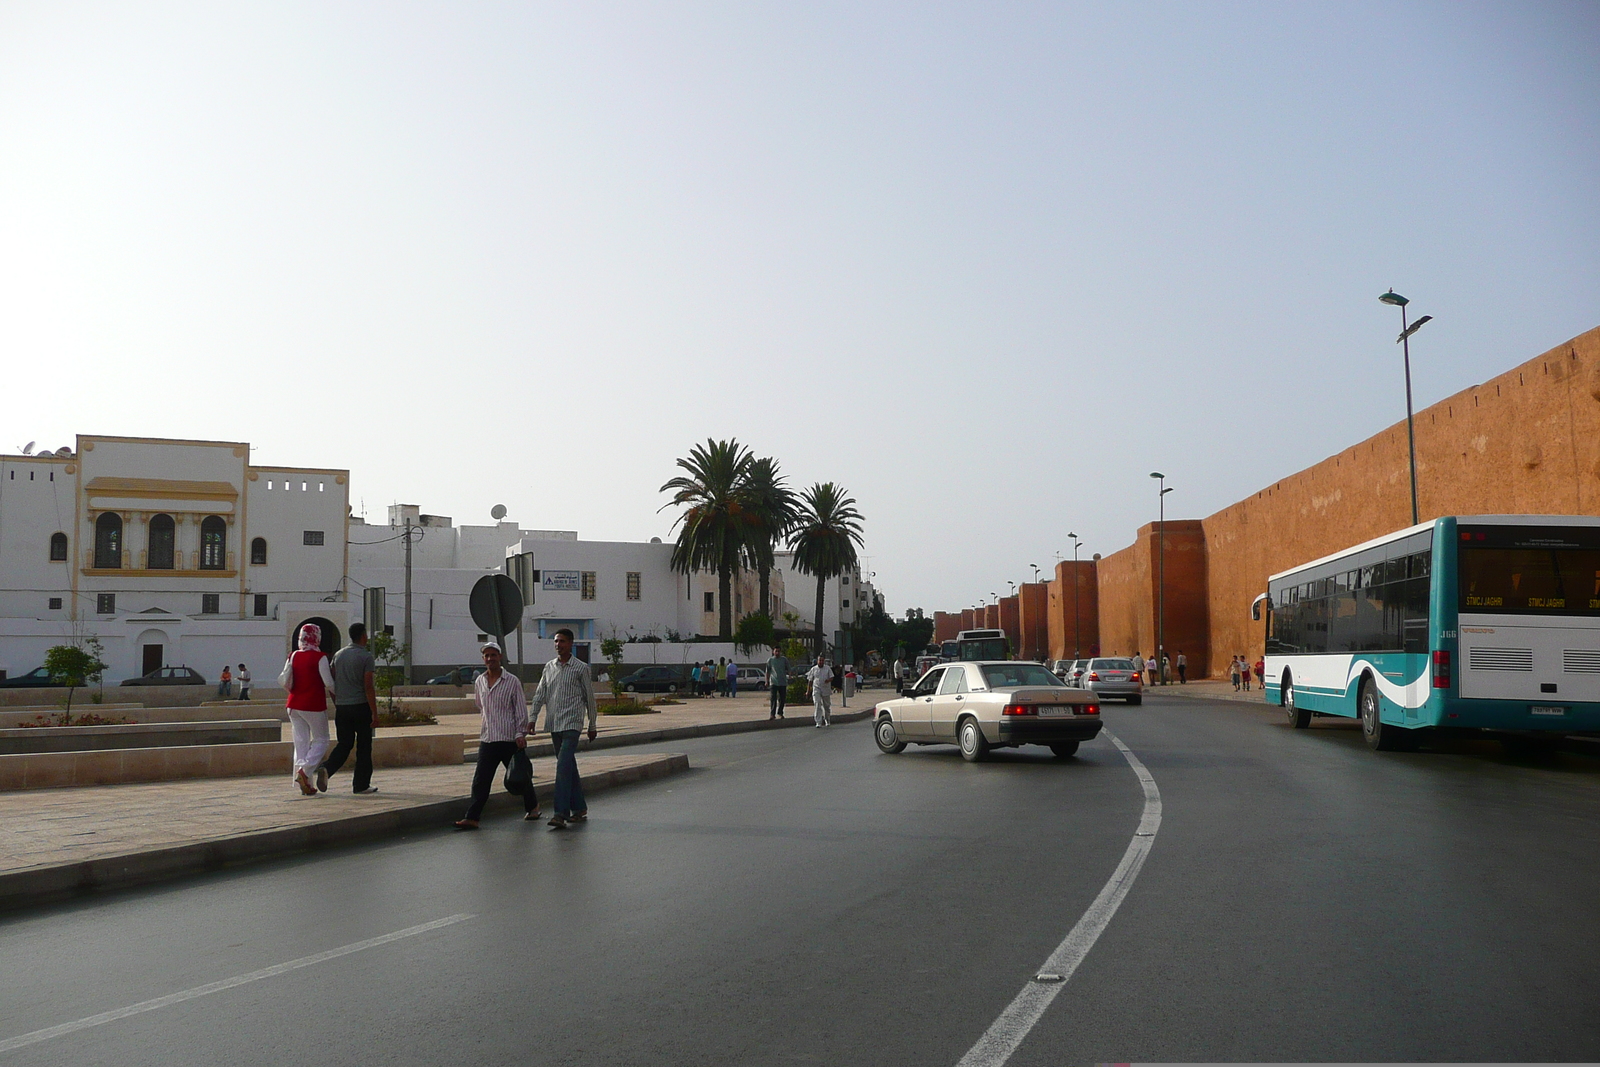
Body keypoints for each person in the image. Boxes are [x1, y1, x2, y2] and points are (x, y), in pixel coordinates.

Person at [454, 641, 538, 830]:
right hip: (488, 739)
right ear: (483, 659)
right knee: (480, 781)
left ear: (500, 657)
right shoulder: (480, 681)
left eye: (493, 655)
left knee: (519, 776)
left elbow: (520, 710)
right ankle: (472, 817)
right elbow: (479, 705)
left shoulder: (512, 681)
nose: (490, 658)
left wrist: (520, 733)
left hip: (509, 739)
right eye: (487, 656)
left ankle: (533, 807)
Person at [531, 628, 597, 830]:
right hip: (554, 723)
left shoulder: (581, 668)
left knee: (562, 767)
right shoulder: (549, 667)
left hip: (572, 724)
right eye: (556, 641)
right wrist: (532, 718)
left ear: (571, 644)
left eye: (563, 641)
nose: (558, 645)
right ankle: (579, 808)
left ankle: (560, 813)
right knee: (568, 766)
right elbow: (540, 693)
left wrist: (592, 724)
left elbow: (589, 698)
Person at [318, 622, 379, 795]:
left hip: (343, 707)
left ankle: (327, 769)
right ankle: (361, 785)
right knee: (364, 746)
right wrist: (374, 713)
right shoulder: (366, 657)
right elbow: (368, 686)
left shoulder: (338, 655)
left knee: (344, 744)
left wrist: (338, 702)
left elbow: (331, 683)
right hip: (360, 706)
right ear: (363, 636)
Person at [278, 622, 335, 796]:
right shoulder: (320, 658)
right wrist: (339, 694)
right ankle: (305, 772)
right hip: (313, 704)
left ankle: (304, 784)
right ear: (317, 637)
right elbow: (329, 683)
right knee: (322, 739)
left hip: (293, 704)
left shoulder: (293, 655)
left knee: (300, 744)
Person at [806, 654, 832, 727]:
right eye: (819, 660)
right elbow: (810, 680)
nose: (821, 662)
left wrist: (828, 680)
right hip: (816, 688)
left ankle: (827, 720)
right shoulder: (814, 669)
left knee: (826, 706)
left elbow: (832, 677)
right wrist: (808, 691)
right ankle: (818, 721)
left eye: (822, 660)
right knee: (817, 704)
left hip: (826, 689)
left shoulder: (827, 668)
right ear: (817, 661)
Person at [766, 644, 789, 719]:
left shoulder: (784, 660)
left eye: (779, 651)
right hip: (773, 682)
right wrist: (767, 681)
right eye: (776, 651)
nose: (777, 653)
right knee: (773, 698)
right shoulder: (770, 660)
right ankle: (772, 714)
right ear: (773, 652)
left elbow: (789, 668)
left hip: (782, 682)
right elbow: (767, 671)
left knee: (782, 699)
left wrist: (790, 674)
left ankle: (780, 712)